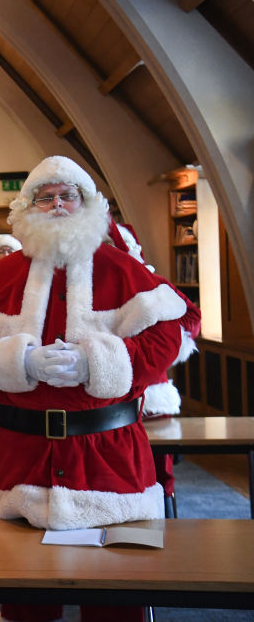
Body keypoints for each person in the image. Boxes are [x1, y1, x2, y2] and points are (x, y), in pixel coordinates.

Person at [0, 156, 190, 622]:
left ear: (87, 204)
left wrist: (97, 362)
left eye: (68, 195)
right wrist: (22, 361)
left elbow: (166, 339)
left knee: (118, 595)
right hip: (23, 455)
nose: (57, 205)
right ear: (28, 208)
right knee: (25, 593)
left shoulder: (124, 270)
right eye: (46, 196)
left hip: (111, 458)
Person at [107, 221, 200, 517]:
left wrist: (158, 343)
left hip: (150, 395)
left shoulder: (151, 282)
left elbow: (191, 318)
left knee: (159, 470)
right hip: (104, 397)